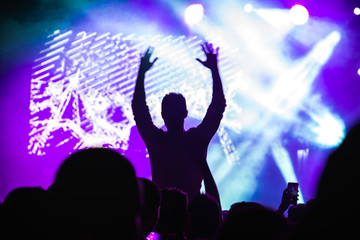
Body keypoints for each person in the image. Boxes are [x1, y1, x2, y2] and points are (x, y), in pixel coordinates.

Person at [132, 42, 226, 200]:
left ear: (163, 115)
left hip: (163, 214)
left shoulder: (156, 140)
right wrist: (214, 70)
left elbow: (139, 108)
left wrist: (141, 73)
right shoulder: (197, 139)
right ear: (185, 113)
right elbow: (218, 107)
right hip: (194, 216)